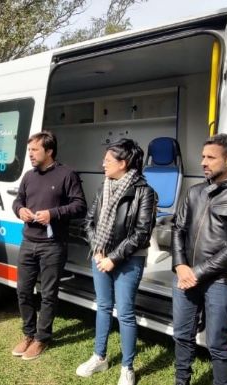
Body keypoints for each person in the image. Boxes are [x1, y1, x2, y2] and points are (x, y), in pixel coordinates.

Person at [171, 134, 227, 385]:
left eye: (211, 157)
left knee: (218, 343)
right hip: (185, 275)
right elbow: (178, 229)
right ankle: (182, 381)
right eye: (203, 156)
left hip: (220, 281)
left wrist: (196, 273)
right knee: (182, 335)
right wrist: (180, 265)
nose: (204, 162)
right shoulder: (194, 192)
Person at [75, 139, 157, 385]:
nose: (103, 164)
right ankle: (99, 357)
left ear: (123, 163)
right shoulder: (104, 187)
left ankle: (127, 367)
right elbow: (89, 223)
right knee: (102, 306)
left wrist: (113, 258)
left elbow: (141, 234)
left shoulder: (145, 191)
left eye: (108, 161)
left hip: (128, 260)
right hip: (100, 256)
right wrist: (97, 250)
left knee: (125, 312)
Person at [11, 131, 87, 360]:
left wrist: (53, 214)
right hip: (28, 242)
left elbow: (80, 206)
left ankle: (42, 338)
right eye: (29, 151)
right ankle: (28, 334)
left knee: (48, 293)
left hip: (53, 245)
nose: (30, 155)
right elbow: (18, 200)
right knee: (23, 290)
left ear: (49, 151)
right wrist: (19, 210)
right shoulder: (28, 176)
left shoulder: (67, 174)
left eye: (34, 150)